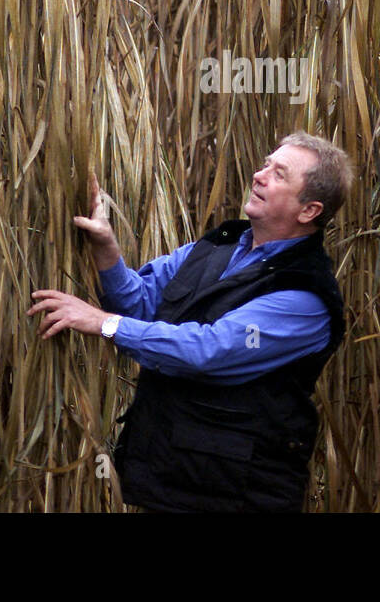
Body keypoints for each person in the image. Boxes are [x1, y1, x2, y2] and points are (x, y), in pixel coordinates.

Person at [27, 131, 353, 512]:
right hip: (168, 477)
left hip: (237, 493)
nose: (259, 175)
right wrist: (106, 250)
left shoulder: (304, 295)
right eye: (265, 164)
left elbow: (207, 351)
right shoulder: (223, 242)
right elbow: (142, 303)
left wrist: (104, 323)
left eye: (279, 174)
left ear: (309, 210)